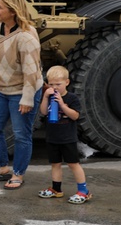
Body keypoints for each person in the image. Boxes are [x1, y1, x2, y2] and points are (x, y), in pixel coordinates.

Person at [0, 0, 43, 190]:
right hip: (0, 89)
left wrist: (27, 98)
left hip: (22, 91)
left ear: (13, 11)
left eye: (0, 7)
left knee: (21, 135)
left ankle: (18, 173)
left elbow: (32, 71)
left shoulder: (26, 37)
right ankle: (1, 167)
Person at [36, 66, 90, 204]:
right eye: (51, 84)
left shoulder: (71, 98)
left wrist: (62, 104)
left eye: (58, 84)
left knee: (73, 164)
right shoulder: (49, 96)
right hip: (52, 137)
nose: (55, 87)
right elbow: (43, 112)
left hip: (68, 138)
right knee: (55, 164)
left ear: (67, 82)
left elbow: (75, 116)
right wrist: (45, 97)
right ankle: (56, 189)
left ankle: (84, 191)